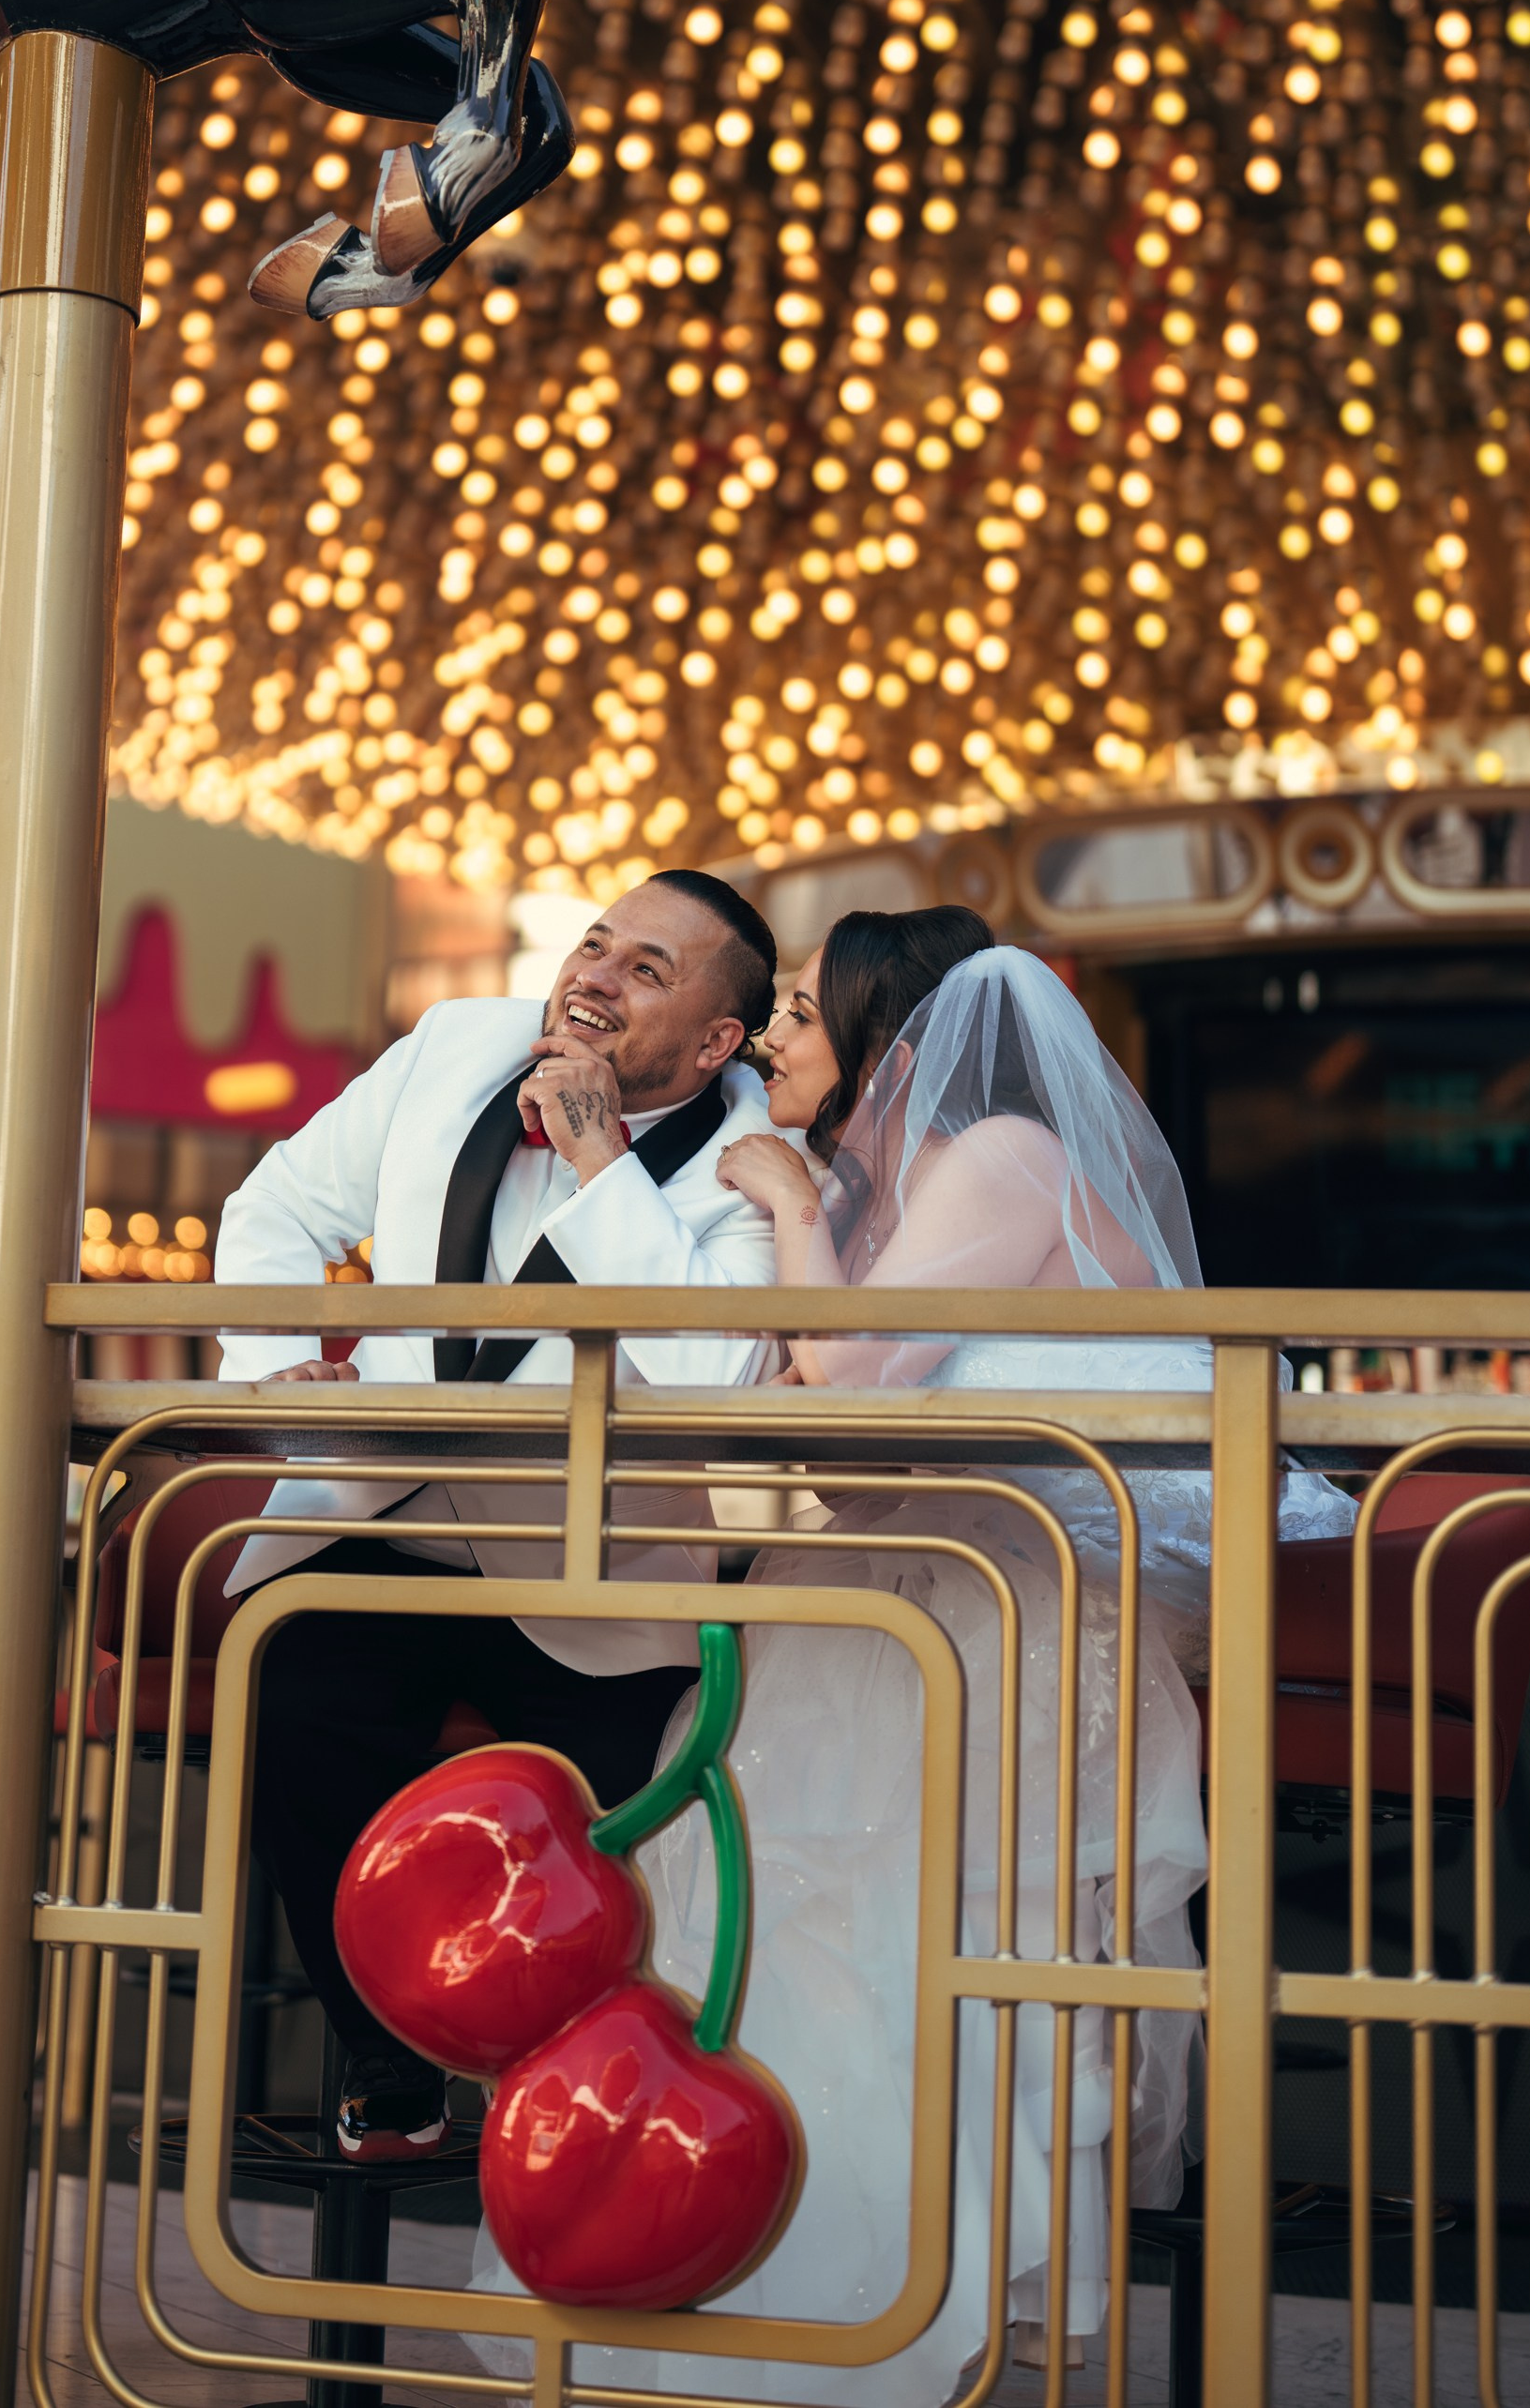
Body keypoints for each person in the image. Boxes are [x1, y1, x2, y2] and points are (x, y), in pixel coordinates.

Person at [550, 910, 1356, 2400]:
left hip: (1017, 1619)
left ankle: (931, 2305)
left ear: (880, 1032)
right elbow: (845, 1444)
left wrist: (791, 1200)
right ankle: (761, 2299)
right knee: (797, 1914)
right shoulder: (895, 1186)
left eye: (799, 1012)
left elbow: (849, 1379)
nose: (779, 1040)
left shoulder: (999, 1158)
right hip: (898, 1592)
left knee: (951, 1939)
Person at [213, 869, 785, 2160]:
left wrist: (599, 1158)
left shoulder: (761, 1155)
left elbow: (719, 1376)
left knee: (624, 1833)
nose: (594, 974)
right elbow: (278, 1211)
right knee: (300, 1686)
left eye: (647, 968)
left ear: (715, 1042)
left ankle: (583, 2109)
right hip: (381, 1512)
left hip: (590, 1578)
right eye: (596, 944)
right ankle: (378, 2049)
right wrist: (278, 1378)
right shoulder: (458, 1042)